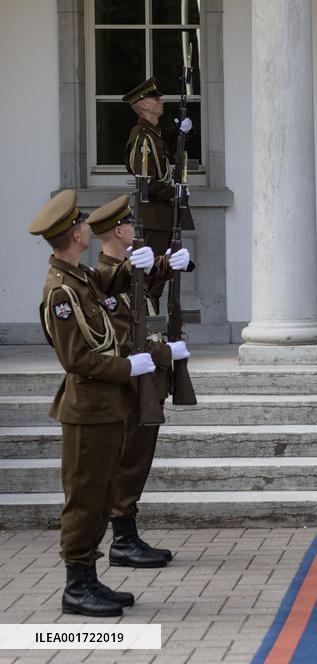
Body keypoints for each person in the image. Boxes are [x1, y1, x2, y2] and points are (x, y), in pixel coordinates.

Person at [29, 190, 156, 617]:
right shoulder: (61, 292)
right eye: (82, 224)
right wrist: (128, 367)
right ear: (74, 234)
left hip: (104, 407)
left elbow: (108, 281)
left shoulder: (80, 276)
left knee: (102, 494)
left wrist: (140, 266)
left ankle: (90, 578)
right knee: (84, 498)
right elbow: (75, 359)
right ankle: (75, 586)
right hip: (86, 409)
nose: (87, 227)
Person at [87, 195, 193, 568]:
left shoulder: (128, 273)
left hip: (147, 382)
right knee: (129, 460)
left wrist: (166, 265)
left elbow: (143, 292)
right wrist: (169, 353)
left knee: (138, 458)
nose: (136, 226)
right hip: (131, 386)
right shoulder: (105, 284)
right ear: (118, 230)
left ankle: (127, 535)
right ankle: (122, 539)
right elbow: (125, 338)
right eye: (130, 222)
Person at [123, 76, 194, 256]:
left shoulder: (153, 133)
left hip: (161, 218)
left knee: (160, 276)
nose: (161, 100)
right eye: (156, 98)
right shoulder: (142, 137)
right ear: (144, 105)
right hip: (153, 219)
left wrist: (184, 131)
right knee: (151, 279)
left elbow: (167, 142)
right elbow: (147, 182)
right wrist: (174, 192)